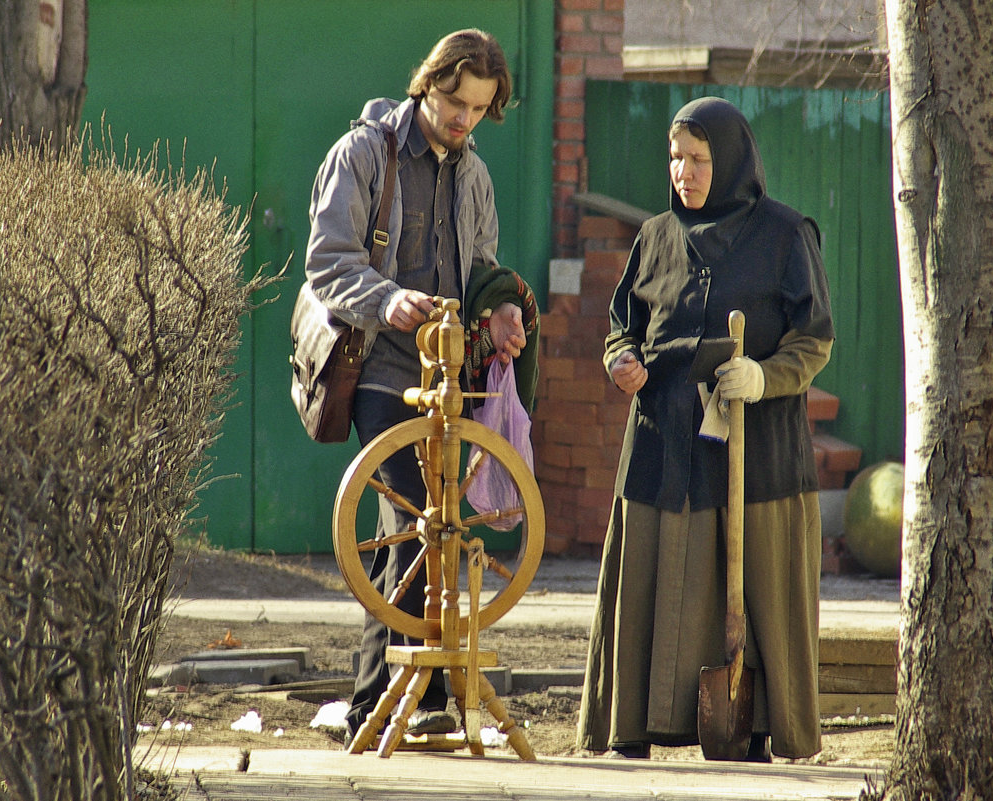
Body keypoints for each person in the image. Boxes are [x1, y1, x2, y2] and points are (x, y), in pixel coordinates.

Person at [576, 96, 834, 762]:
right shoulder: (655, 235)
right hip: (664, 440)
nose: (682, 170)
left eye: (697, 158)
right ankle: (638, 723)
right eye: (675, 156)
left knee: (757, 586)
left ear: (731, 160)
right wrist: (621, 359)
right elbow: (621, 324)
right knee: (656, 582)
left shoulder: (784, 234)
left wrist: (765, 375)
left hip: (760, 446)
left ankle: (755, 728)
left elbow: (813, 338)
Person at [303, 29, 539, 746]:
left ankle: (374, 699)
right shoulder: (364, 154)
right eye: (454, 99)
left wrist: (499, 311)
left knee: (420, 528)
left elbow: (487, 269)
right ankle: (424, 694)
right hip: (378, 365)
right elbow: (327, 261)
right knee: (420, 521)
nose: (464, 117)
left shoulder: (475, 176)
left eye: (479, 107)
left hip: (451, 372)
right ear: (426, 83)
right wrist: (387, 300)